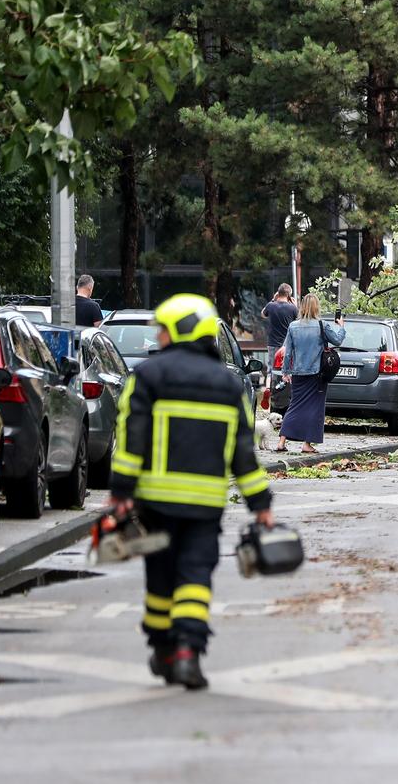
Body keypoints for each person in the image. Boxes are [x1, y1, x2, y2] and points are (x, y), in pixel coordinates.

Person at [107, 293, 274, 690]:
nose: (158, 338)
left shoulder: (148, 377)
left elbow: (131, 439)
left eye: (162, 331)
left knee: (161, 579)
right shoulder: (229, 386)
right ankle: (188, 654)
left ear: (178, 331)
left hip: (155, 503)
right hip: (204, 506)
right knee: (195, 577)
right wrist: (261, 505)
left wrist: (121, 492)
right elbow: (243, 454)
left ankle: (163, 648)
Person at [278, 294, 346, 454]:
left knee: (294, 406)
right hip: (317, 374)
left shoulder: (293, 326)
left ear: (302, 307)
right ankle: (306, 444)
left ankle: (281, 441)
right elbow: (337, 341)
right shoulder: (322, 325)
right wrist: (341, 326)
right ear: (316, 307)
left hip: (298, 373)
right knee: (314, 409)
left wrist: (286, 371)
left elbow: (288, 353)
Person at [261, 283, 297, 355]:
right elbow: (298, 321)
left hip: (273, 343)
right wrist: (295, 305)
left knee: (272, 365)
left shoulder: (270, 305)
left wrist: (273, 299)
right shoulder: (292, 308)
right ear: (289, 295)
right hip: (287, 344)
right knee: (287, 366)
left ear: (278, 293)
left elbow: (263, 314)